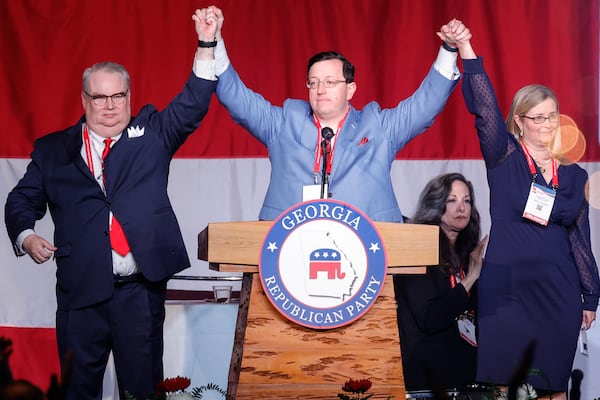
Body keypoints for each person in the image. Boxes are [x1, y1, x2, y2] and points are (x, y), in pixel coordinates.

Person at [4, 9, 219, 400]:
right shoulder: (54, 150)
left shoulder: (152, 135)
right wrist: (26, 235)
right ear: (84, 99)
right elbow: (21, 200)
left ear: (128, 97)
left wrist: (206, 42)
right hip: (80, 290)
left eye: (117, 95)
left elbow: (192, 103)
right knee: (77, 391)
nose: (109, 105)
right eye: (99, 97)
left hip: (139, 291)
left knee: (141, 391)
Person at [198, 5, 470, 222]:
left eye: (330, 82)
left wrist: (448, 50)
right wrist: (213, 41)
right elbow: (237, 98)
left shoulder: (376, 126)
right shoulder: (284, 123)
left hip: (367, 248)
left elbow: (424, 106)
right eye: (313, 82)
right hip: (287, 246)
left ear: (351, 89)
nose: (320, 89)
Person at [447, 32, 600, 399]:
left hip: (557, 292)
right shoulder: (504, 156)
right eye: (538, 117)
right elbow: (484, 107)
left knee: (553, 387)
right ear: (519, 120)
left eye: (552, 116)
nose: (547, 125)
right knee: (506, 386)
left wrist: (589, 296)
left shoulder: (575, 174)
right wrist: (467, 51)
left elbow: (580, 239)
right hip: (507, 291)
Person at [393, 173, 488, 395]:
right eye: (451, 200)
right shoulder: (416, 251)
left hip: (467, 378)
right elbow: (430, 318)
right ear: (436, 204)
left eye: (467, 200)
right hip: (428, 382)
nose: (461, 207)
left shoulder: (469, 254)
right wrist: (470, 279)